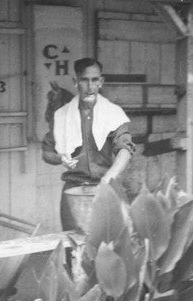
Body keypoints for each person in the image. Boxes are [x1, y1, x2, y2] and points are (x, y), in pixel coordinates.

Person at [42, 58, 135, 230]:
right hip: (74, 192)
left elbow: (125, 149)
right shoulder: (62, 115)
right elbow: (46, 152)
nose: (90, 86)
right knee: (74, 249)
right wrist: (59, 157)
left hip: (106, 188)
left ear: (101, 81)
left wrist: (109, 177)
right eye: (84, 80)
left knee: (109, 249)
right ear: (75, 82)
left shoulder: (113, 113)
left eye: (95, 80)